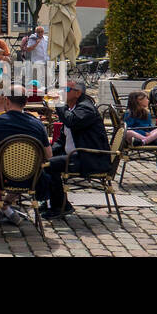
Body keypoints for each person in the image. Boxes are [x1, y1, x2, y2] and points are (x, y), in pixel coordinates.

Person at [0, 86, 52, 223]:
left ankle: (1, 206)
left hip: (1, 176)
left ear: (7, 101)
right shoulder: (38, 125)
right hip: (30, 178)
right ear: (25, 102)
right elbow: (49, 156)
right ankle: (5, 208)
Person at [44, 79, 108, 218]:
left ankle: (61, 206)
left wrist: (58, 104)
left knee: (50, 166)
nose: (61, 93)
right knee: (43, 160)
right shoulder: (72, 109)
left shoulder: (86, 108)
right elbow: (62, 140)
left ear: (78, 93)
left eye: (65, 90)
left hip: (90, 157)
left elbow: (71, 121)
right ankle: (52, 200)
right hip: (76, 154)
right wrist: (48, 151)